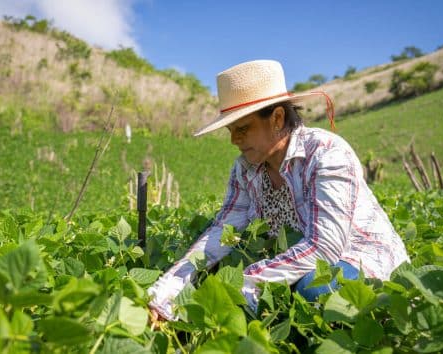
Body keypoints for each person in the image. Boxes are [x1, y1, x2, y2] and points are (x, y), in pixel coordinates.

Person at [147, 59, 409, 321]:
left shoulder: (326, 153)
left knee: (314, 290)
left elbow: (324, 248)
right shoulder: (246, 169)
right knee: (219, 276)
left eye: (242, 128)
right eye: (231, 130)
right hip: (296, 261)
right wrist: (168, 288)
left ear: (277, 118)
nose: (233, 140)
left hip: (359, 257)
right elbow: (222, 230)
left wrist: (240, 287)